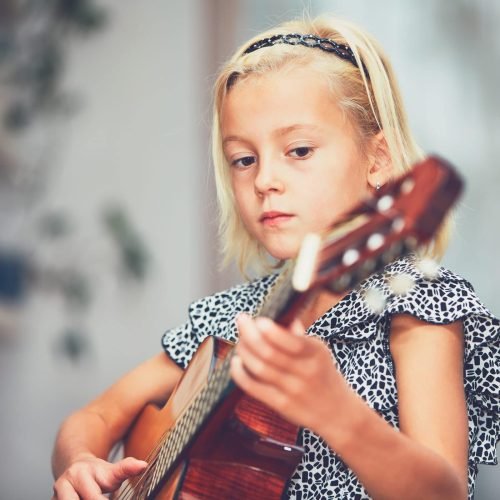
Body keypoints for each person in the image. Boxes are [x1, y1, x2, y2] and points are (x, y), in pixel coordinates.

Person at [51, 14, 499, 500]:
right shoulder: (228, 323)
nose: (265, 180)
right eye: (244, 159)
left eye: (299, 150)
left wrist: (337, 412)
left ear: (379, 160)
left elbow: (444, 492)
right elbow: (93, 417)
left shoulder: (416, 307)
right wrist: (79, 463)